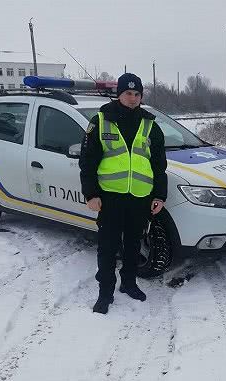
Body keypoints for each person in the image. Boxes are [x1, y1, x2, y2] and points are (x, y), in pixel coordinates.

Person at [79, 73, 167, 314]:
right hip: (109, 197)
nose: (133, 98)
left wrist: (159, 195)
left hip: (139, 197)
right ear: (119, 94)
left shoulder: (150, 125)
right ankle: (105, 293)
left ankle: (129, 283)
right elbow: (87, 161)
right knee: (107, 247)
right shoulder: (100, 121)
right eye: (128, 93)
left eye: (137, 94)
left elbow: (159, 164)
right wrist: (91, 194)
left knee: (132, 244)